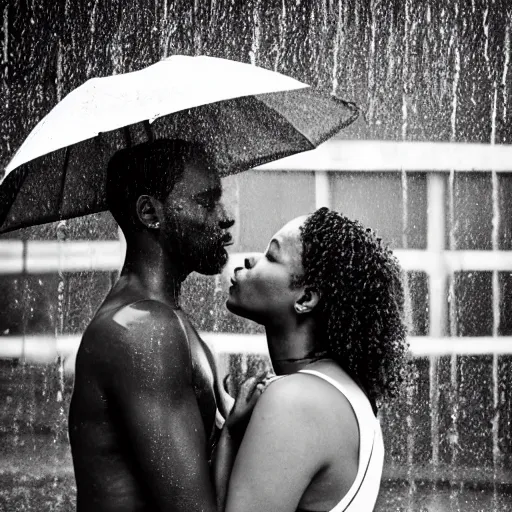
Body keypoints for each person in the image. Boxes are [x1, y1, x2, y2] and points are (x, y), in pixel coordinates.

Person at [68, 138, 236, 512]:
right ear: (149, 213)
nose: (225, 216)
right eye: (206, 201)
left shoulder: (168, 320)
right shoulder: (143, 330)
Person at [215, 207, 408, 512]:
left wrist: (228, 438)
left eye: (271, 256)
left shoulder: (294, 401)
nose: (251, 260)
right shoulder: (346, 395)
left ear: (306, 298)